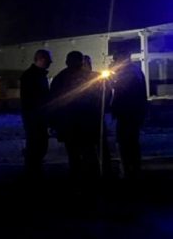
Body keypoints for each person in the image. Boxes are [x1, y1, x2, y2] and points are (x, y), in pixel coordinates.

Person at [48, 51, 102, 183]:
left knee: (73, 154)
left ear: (67, 62)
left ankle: (77, 180)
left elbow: (54, 102)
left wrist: (54, 122)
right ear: (82, 62)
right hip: (88, 123)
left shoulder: (60, 78)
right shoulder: (91, 77)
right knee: (89, 152)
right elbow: (101, 98)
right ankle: (93, 180)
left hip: (69, 124)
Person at [109, 53, 148, 180]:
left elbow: (123, 89)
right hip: (132, 112)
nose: (114, 62)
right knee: (130, 142)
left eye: (116, 59)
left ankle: (128, 170)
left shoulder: (129, 72)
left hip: (127, 113)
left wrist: (111, 81)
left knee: (125, 142)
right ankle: (133, 169)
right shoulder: (135, 70)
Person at [19, 49, 52, 179]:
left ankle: (33, 171)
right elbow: (34, 99)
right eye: (48, 59)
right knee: (37, 145)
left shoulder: (32, 75)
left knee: (37, 144)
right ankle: (33, 172)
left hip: (34, 117)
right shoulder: (34, 76)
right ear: (42, 59)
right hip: (35, 117)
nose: (51, 62)